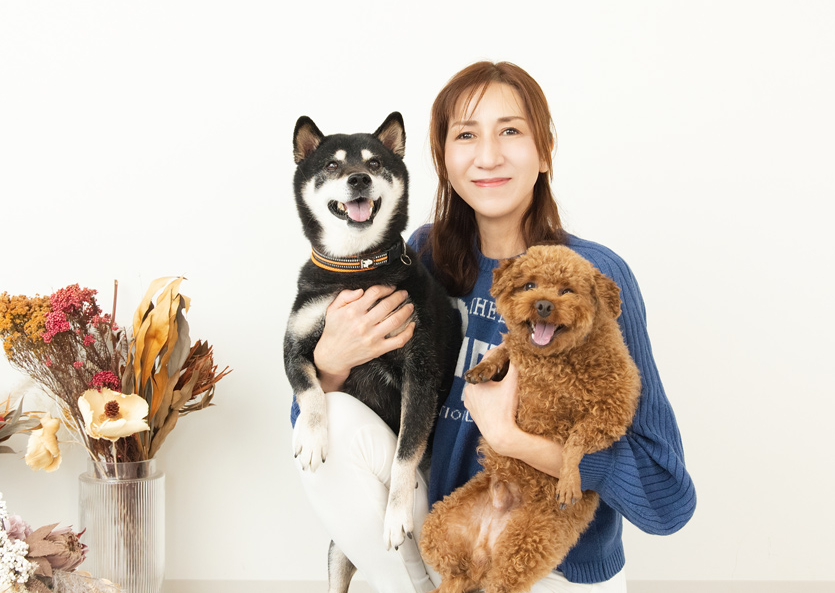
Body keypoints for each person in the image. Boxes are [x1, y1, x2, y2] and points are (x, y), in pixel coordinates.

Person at [290, 61, 696, 593]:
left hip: (546, 566)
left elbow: (668, 501)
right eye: (466, 135)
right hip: (448, 543)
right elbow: (324, 449)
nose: (488, 156)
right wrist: (330, 365)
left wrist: (513, 439)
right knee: (334, 416)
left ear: (545, 151)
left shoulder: (593, 278)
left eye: (510, 131)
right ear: (443, 160)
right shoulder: (420, 257)